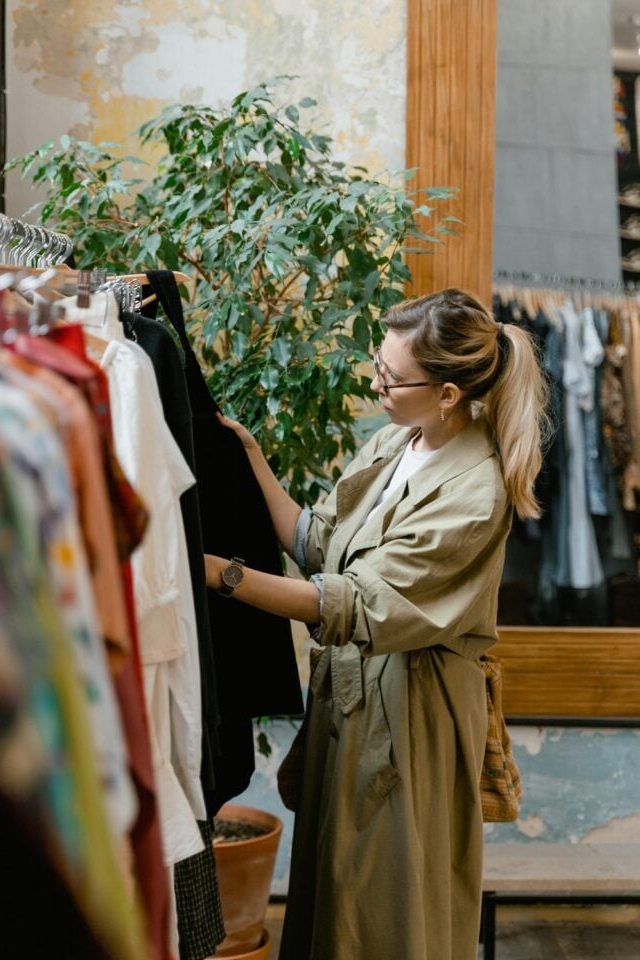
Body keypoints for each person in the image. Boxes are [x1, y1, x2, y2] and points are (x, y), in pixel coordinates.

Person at [204, 288, 548, 960]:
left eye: (390, 376)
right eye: (377, 363)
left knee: (388, 909)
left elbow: (356, 604)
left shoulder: (475, 491)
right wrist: (247, 456)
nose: (375, 382)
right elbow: (315, 540)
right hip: (356, 703)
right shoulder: (397, 441)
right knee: (339, 896)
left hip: (412, 718)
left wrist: (224, 576)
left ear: (448, 393)